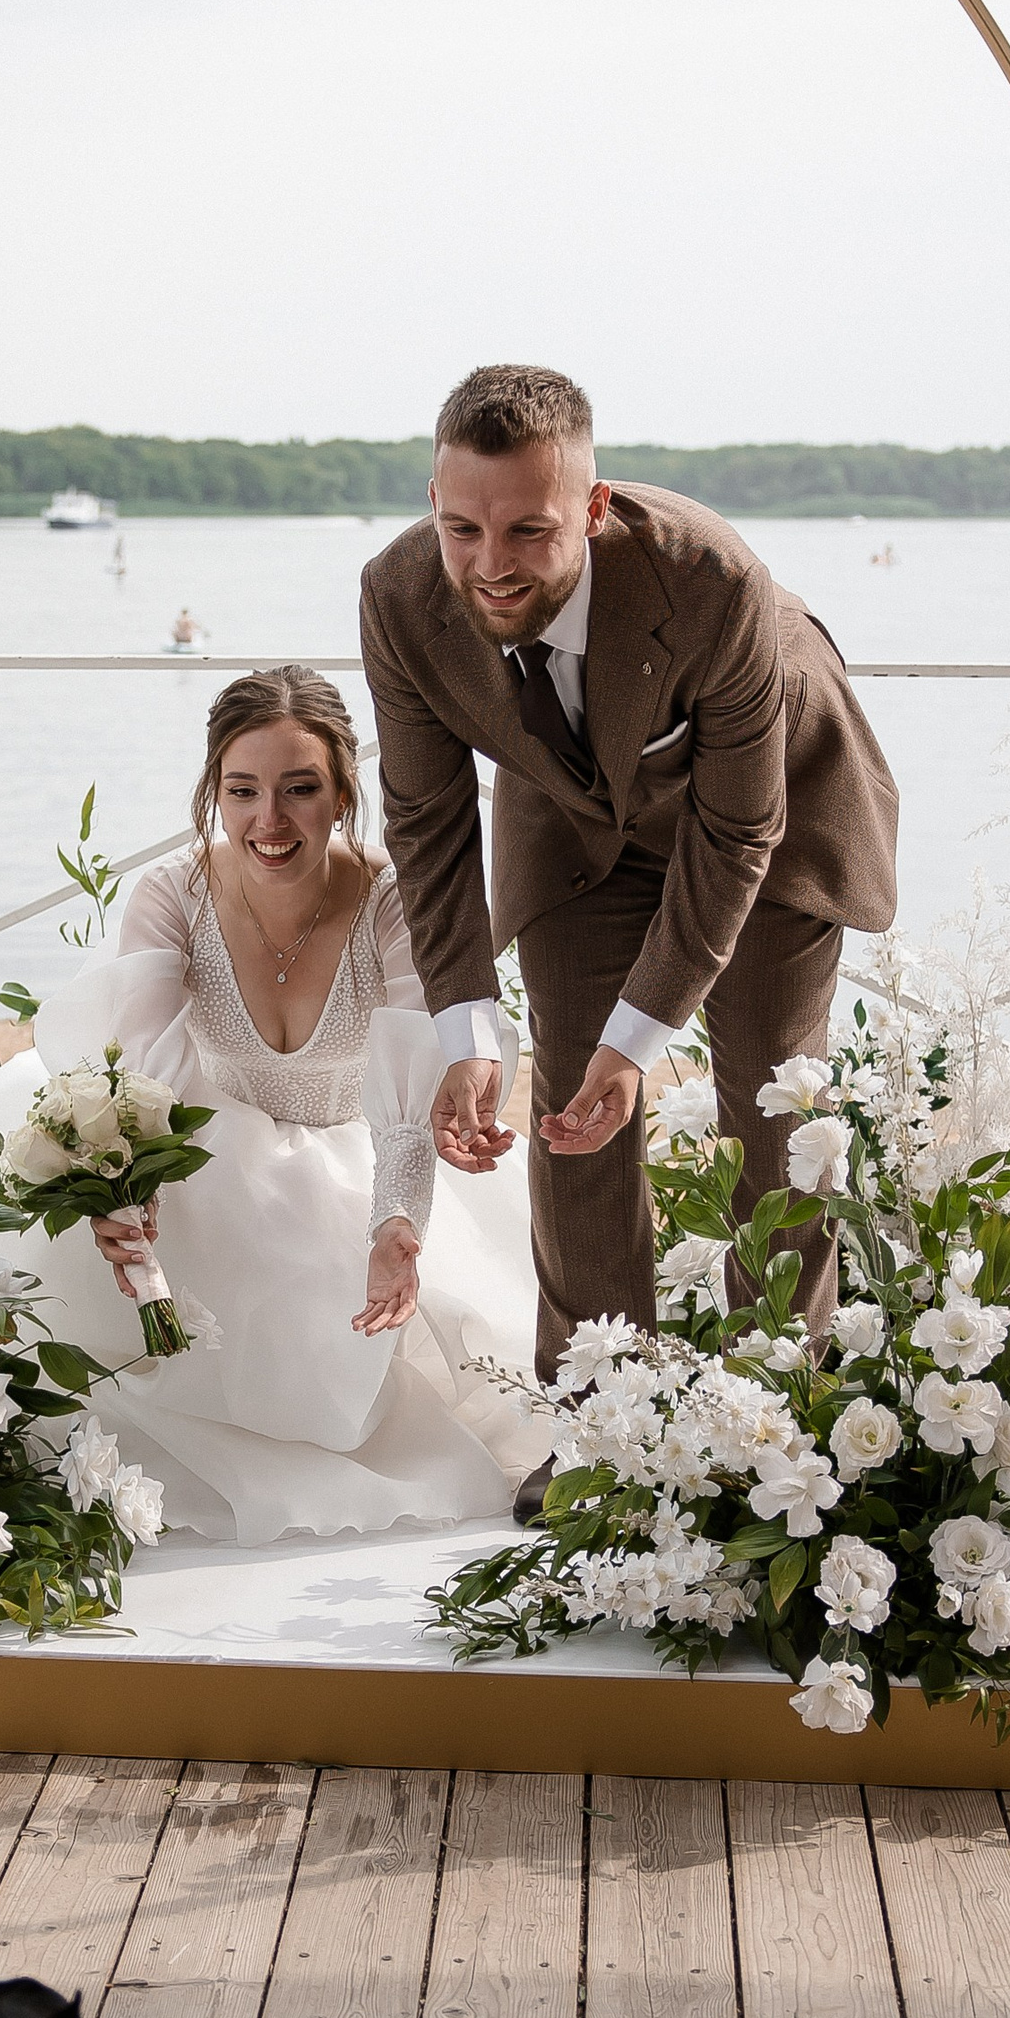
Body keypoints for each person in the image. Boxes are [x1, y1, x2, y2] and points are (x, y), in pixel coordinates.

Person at [360, 365, 899, 1517]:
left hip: (772, 813)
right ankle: (602, 1426)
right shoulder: (401, 595)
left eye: (527, 529)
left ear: (593, 510)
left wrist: (643, 1037)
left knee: (775, 1101)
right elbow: (426, 821)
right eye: (461, 526)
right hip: (573, 818)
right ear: (431, 502)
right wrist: (466, 1024)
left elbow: (737, 829)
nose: (489, 561)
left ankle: (774, 1419)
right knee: (570, 1102)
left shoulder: (713, 580)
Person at [0, 668, 536, 1543]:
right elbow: (136, 1073)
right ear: (213, 792)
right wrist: (130, 1197)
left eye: (299, 790)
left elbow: (405, 1089)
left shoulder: (393, 900)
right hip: (206, 1143)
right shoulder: (172, 894)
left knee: (352, 1315)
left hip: (362, 1153)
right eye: (243, 791)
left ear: (344, 792)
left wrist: (395, 1226)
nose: (269, 821)